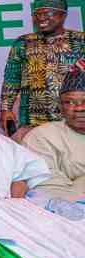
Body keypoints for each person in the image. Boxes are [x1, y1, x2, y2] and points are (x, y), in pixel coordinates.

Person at [1, 0, 85, 132]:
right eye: (37, 14)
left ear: (63, 15)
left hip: (75, 118)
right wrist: (6, 109)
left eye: (48, 13)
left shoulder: (80, 41)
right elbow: (11, 79)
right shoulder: (23, 43)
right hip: (33, 121)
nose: (41, 18)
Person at [23, 64, 85, 202]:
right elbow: (49, 189)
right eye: (69, 102)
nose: (79, 108)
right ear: (60, 107)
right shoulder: (42, 137)